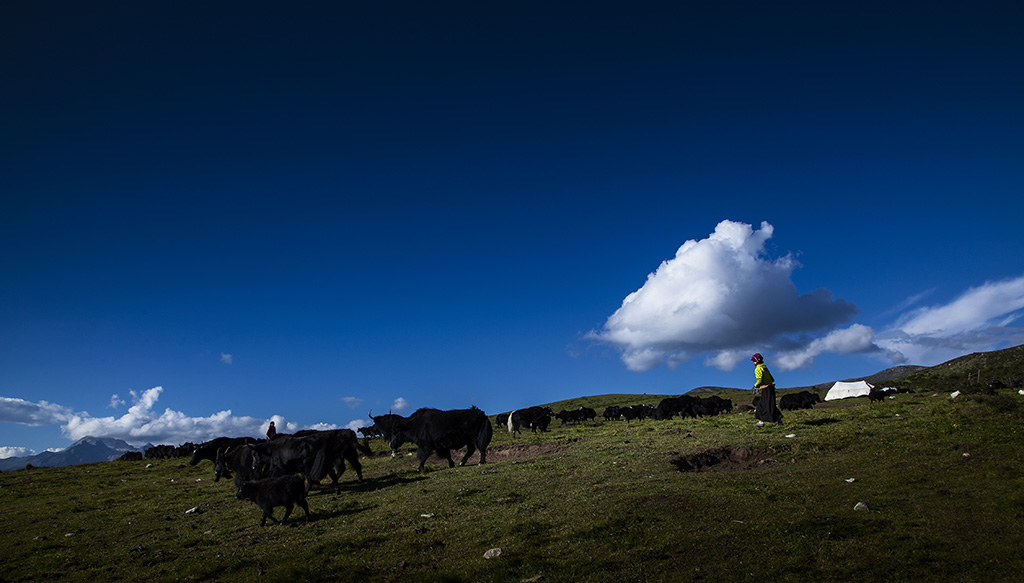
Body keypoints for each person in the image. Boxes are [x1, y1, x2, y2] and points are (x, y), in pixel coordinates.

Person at [751, 353, 782, 426]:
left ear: (756, 361)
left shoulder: (758, 369)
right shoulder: (764, 367)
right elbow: (772, 378)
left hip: (765, 389)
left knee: (762, 405)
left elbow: (760, 379)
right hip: (770, 387)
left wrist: (756, 385)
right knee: (770, 404)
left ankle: (761, 422)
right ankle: (778, 419)